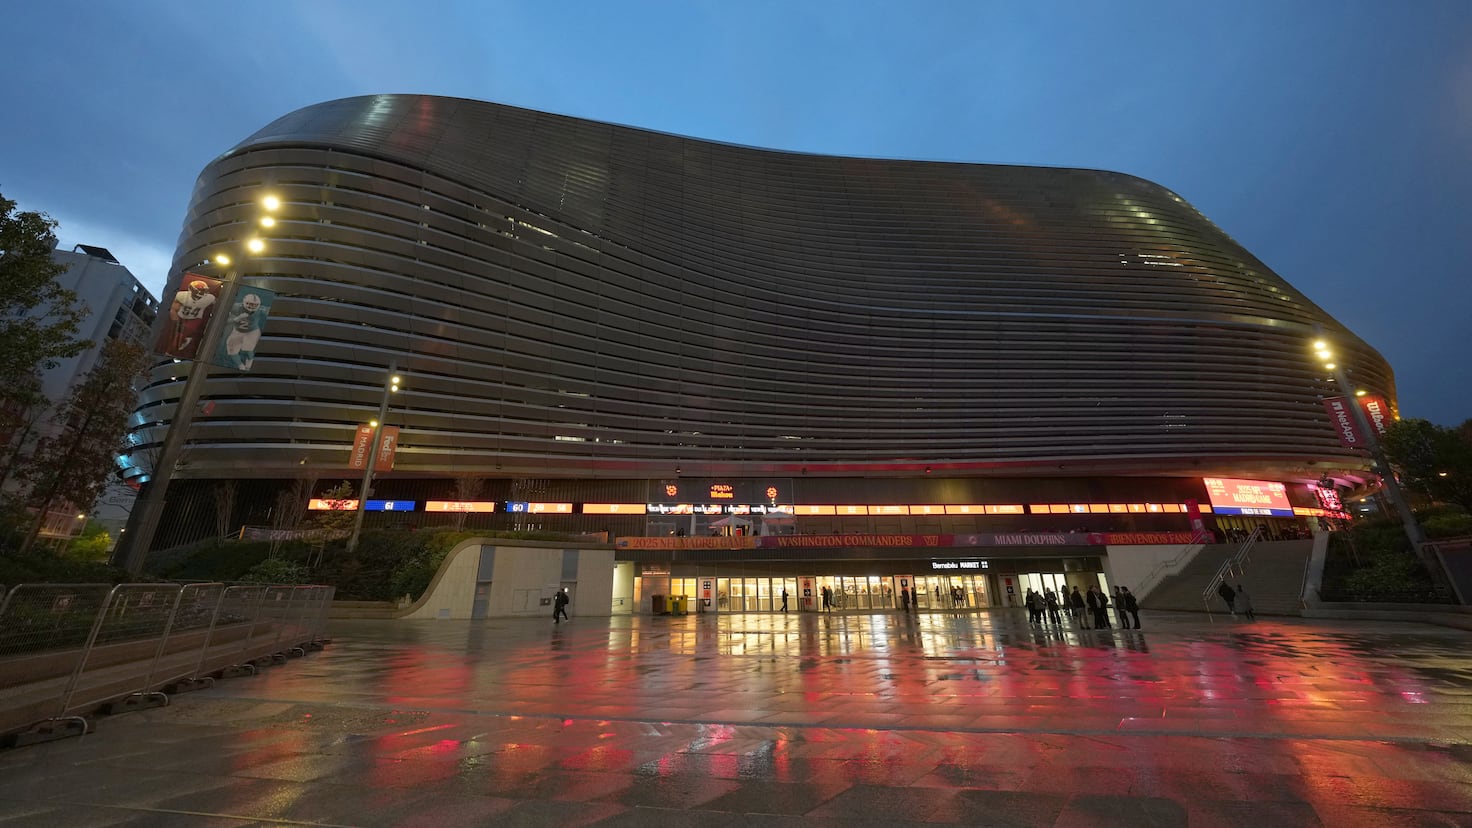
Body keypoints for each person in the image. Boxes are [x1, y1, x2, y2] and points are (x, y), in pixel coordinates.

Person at [168, 279, 217, 357]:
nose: (201, 293)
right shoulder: (181, 296)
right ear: (191, 289)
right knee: (175, 336)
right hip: (181, 318)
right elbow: (173, 309)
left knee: (183, 337)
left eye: (203, 291)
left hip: (195, 320)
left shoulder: (209, 298)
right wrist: (175, 319)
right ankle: (173, 350)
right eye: (199, 290)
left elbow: (217, 305)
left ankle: (173, 351)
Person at [222, 292, 267, 370]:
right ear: (244, 302)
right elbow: (224, 320)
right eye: (250, 304)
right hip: (237, 331)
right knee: (232, 351)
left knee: (248, 349)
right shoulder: (236, 307)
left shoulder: (262, 310)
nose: (252, 307)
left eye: (255, 305)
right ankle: (241, 366)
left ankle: (249, 362)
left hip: (252, 332)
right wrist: (237, 318)